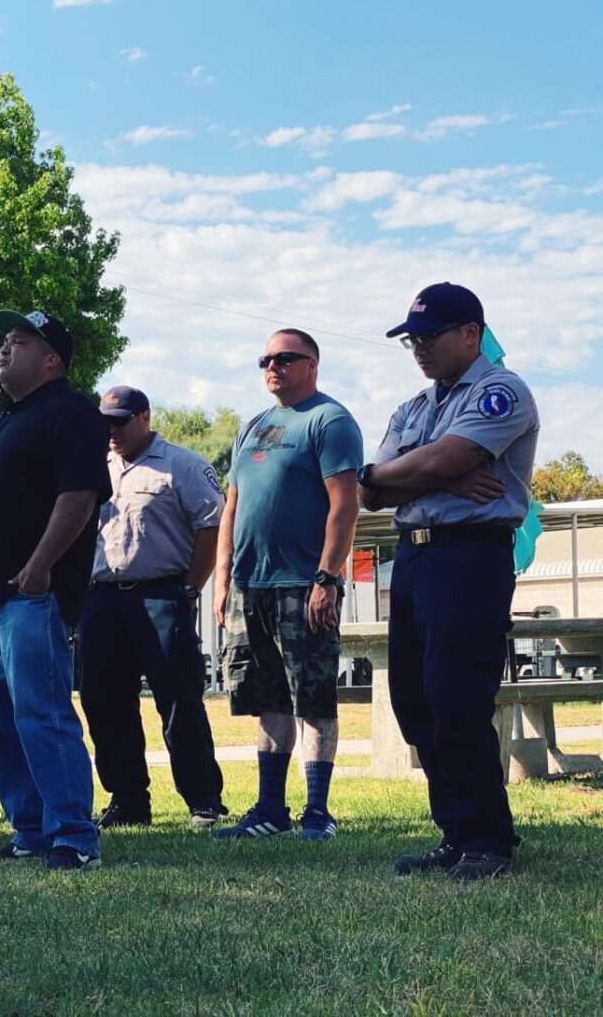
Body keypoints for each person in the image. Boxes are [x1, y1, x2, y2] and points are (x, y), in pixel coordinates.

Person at [359, 283, 538, 880]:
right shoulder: (415, 406)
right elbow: (371, 490)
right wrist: (429, 475)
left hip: (470, 556)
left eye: (430, 336)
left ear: (470, 333)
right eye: (412, 339)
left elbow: (439, 461)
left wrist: (425, 472)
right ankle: (457, 833)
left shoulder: (499, 392)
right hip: (413, 558)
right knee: (414, 700)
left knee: (457, 696)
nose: (419, 348)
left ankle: (487, 839)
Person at [0, 309, 110, 871]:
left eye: (20, 341)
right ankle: (30, 830)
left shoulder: (74, 413)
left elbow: (80, 497)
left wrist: (42, 564)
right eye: (5, 341)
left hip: (29, 594)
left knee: (41, 714)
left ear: (52, 359)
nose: (5, 348)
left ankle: (73, 835)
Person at [213, 329, 362, 842]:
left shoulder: (330, 421)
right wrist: (222, 582)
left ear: (311, 365)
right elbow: (231, 508)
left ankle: (318, 813)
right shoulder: (252, 426)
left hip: (303, 584)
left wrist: (327, 576)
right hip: (248, 586)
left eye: (284, 358)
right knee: (267, 698)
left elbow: (345, 505)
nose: (271, 366)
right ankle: (269, 810)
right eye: (265, 359)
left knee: (313, 699)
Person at [81, 386, 228, 830]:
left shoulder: (181, 464)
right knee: (104, 702)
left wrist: (189, 588)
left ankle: (203, 799)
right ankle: (127, 799)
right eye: (105, 422)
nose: (112, 431)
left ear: (144, 416)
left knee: (179, 700)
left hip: (162, 593)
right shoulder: (95, 465)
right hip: (103, 596)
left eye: (121, 421)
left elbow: (212, 526)